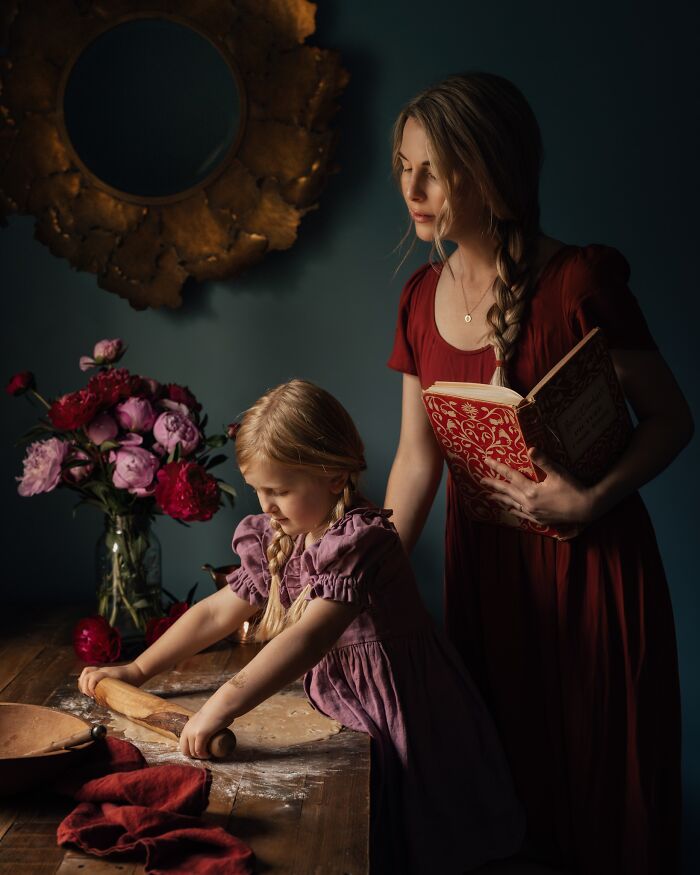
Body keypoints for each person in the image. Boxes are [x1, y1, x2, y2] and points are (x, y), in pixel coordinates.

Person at [385, 72, 693, 875]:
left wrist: (588, 497)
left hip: (589, 568)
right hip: (485, 573)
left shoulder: (579, 282)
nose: (411, 188)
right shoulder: (420, 296)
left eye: (432, 169)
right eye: (402, 166)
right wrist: (371, 573)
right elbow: (418, 458)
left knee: (601, 790)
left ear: (488, 171)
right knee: (500, 795)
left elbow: (673, 418)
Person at [79, 379, 525, 874]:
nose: (265, 506)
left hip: (398, 702)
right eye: (258, 490)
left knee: (412, 840)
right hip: (342, 697)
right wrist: (137, 670)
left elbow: (309, 635)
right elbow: (215, 612)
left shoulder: (363, 541)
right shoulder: (284, 532)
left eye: (279, 490)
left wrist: (220, 705)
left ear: (334, 477)